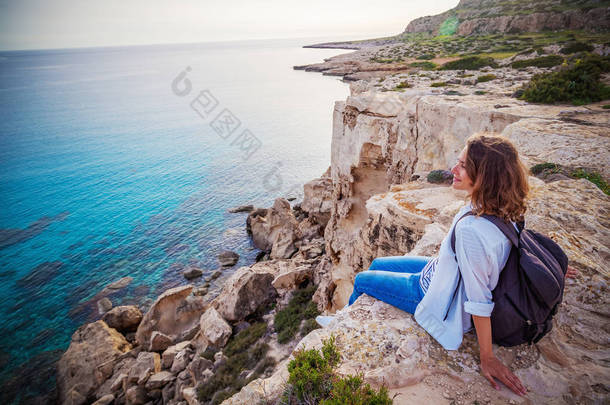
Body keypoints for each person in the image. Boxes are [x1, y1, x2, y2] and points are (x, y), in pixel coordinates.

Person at [316, 134, 578, 397]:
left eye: (463, 166)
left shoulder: (472, 231)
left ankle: (339, 326)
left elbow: (480, 299)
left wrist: (487, 358)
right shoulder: (501, 207)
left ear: (485, 177)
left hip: (430, 291)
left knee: (362, 280)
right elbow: (518, 245)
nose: (453, 169)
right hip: (440, 270)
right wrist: (549, 265)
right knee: (378, 262)